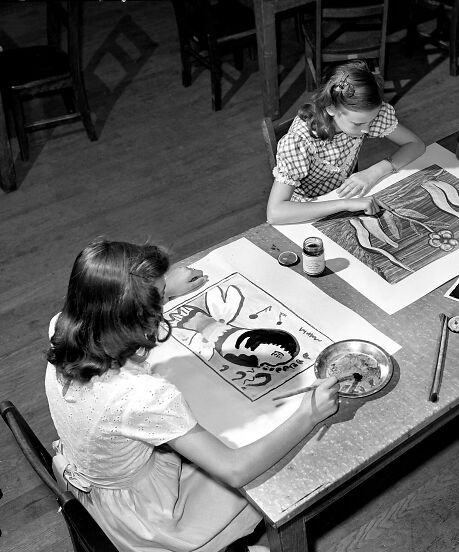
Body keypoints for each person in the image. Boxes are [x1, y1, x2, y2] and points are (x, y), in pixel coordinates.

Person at [45, 240, 339, 552]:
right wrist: (309, 412)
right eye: (157, 298)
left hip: (94, 485)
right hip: (145, 518)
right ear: (140, 316)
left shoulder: (61, 326)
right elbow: (234, 469)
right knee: (277, 472)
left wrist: (163, 288)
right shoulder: (141, 396)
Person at [267, 59, 426, 224]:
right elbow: (275, 213)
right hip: (304, 213)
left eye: (371, 121)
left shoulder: (365, 116)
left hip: (343, 198)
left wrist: (374, 171)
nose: (366, 129)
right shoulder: (300, 141)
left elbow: (416, 145)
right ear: (331, 108)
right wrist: (345, 204)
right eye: (358, 123)